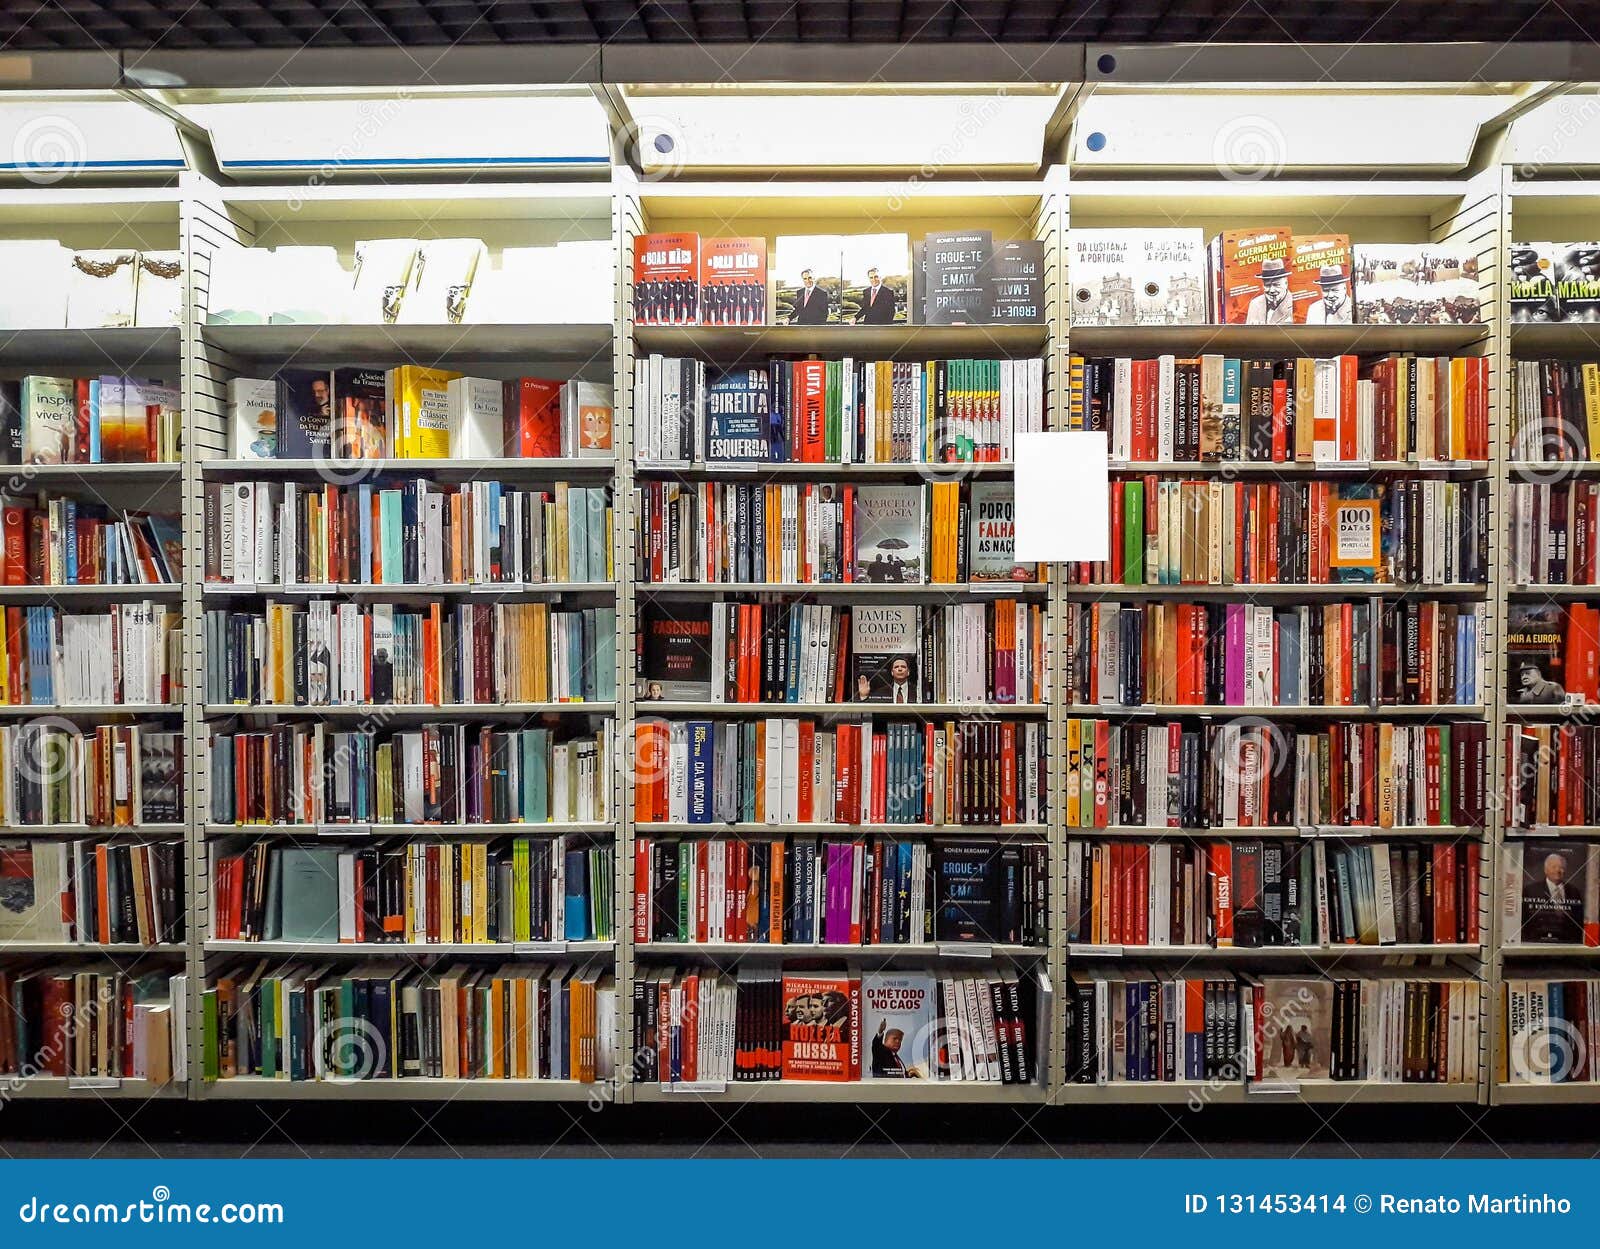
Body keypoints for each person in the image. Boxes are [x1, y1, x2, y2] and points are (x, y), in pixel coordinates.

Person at [1524, 851, 1584, 943]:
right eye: (1554, 867)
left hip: (1568, 943)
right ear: (1545, 870)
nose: (1558, 871)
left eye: (1561, 868)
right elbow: (1525, 922)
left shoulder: (1574, 891)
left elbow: (1578, 922)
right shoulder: (1530, 890)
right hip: (1537, 941)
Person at [1244, 257, 1292, 325]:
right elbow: (1247, 331)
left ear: (1286, 283)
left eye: (1276, 285)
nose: (1271, 290)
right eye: (1267, 285)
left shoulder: (1293, 304)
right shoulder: (1255, 304)